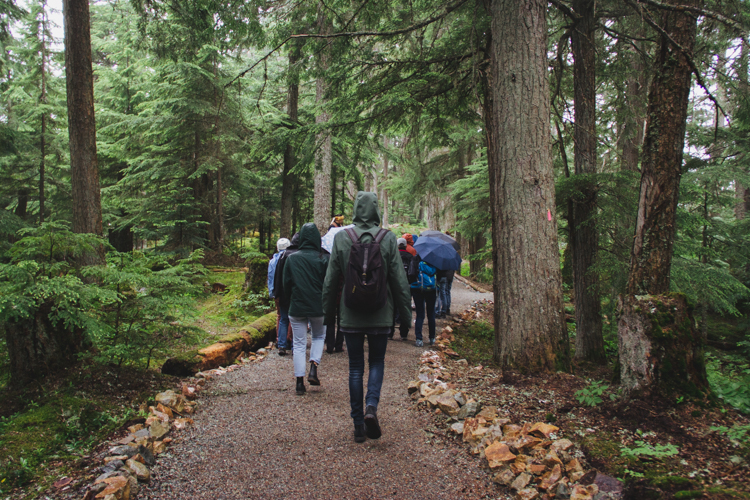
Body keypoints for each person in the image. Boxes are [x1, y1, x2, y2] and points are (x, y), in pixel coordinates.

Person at [323, 192, 411, 443]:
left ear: (355, 209)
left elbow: (330, 281)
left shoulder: (341, 238)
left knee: (354, 368)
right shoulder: (388, 239)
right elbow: (399, 282)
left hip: (350, 314)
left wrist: (329, 315)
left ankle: (358, 424)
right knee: (376, 362)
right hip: (380, 313)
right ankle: (371, 406)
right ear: (376, 211)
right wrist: (405, 318)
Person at [283, 223, 329, 395]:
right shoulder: (324, 258)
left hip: (297, 306)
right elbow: (330, 283)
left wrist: (290, 300)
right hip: (319, 306)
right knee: (318, 336)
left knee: (299, 343)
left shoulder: (292, 258)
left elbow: (286, 284)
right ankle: (313, 367)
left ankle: (299, 383)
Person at [274, 233, 301, 355]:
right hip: (296, 294)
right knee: (296, 320)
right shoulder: (300, 255)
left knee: (284, 319)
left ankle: (282, 345)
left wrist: (277, 293)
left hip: (284, 293)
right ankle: (295, 346)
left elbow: (278, 276)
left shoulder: (283, 255)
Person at [268, 237, 291, 354]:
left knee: (281, 316)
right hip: (288, 293)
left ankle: (280, 341)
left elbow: (270, 277)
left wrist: (272, 293)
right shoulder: (290, 257)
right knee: (291, 317)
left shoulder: (273, 260)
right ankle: (289, 340)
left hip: (278, 293)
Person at [410, 254, 437, 347]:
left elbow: (411, 274)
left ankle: (419, 338)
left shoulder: (416, 258)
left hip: (417, 289)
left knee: (420, 314)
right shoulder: (434, 259)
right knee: (431, 314)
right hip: (431, 289)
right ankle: (432, 338)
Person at [388, 237, 413, 341]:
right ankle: (404, 333)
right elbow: (412, 272)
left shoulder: (393, 256)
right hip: (406, 286)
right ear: (405, 245)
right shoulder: (410, 256)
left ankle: (390, 333)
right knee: (404, 308)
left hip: (393, 286)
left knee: (391, 310)